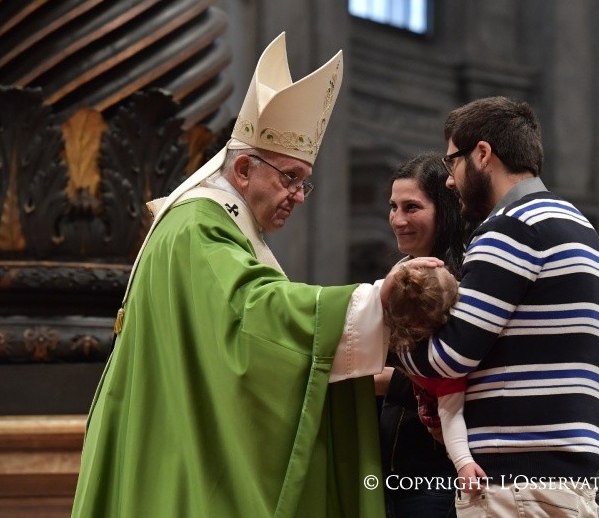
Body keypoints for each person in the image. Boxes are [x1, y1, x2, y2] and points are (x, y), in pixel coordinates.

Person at [70, 33, 442, 518]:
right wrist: (371, 301)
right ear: (244, 168)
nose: (299, 195)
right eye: (290, 177)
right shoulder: (198, 227)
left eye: (305, 182)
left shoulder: (220, 227)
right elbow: (250, 320)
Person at [392, 97, 599, 518]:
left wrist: (396, 327)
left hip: (512, 482)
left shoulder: (511, 229)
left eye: (453, 162)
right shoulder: (583, 231)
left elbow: (447, 359)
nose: (449, 181)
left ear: (483, 154)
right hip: (567, 482)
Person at [377, 153, 470, 518]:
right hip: (392, 467)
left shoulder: (463, 278)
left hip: (438, 472)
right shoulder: (398, 273)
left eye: (411, 207)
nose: (398, 219)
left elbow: (461, 372)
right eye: (393, 207)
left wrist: (389, 381)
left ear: (443, 210)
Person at [383, 265, 487, 494]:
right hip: (439, 427)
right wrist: (463, 463)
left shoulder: (394, 325)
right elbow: (450, 415)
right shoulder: (445, 368)